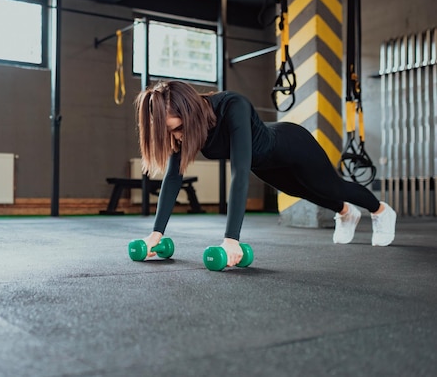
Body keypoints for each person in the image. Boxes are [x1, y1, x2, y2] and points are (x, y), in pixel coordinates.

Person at [134, 80, 397, 268]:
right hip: (264, 163)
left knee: (331, 187)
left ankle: (381, 211)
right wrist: (155, 235)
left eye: (175, 129)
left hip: (293, 145)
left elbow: (239, 173)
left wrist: (231, 240)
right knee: (302, 191)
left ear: (188, 113)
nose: (175, 137)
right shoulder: (183, 130)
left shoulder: (232, 105)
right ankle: (345, 212)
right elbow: (173, 177)